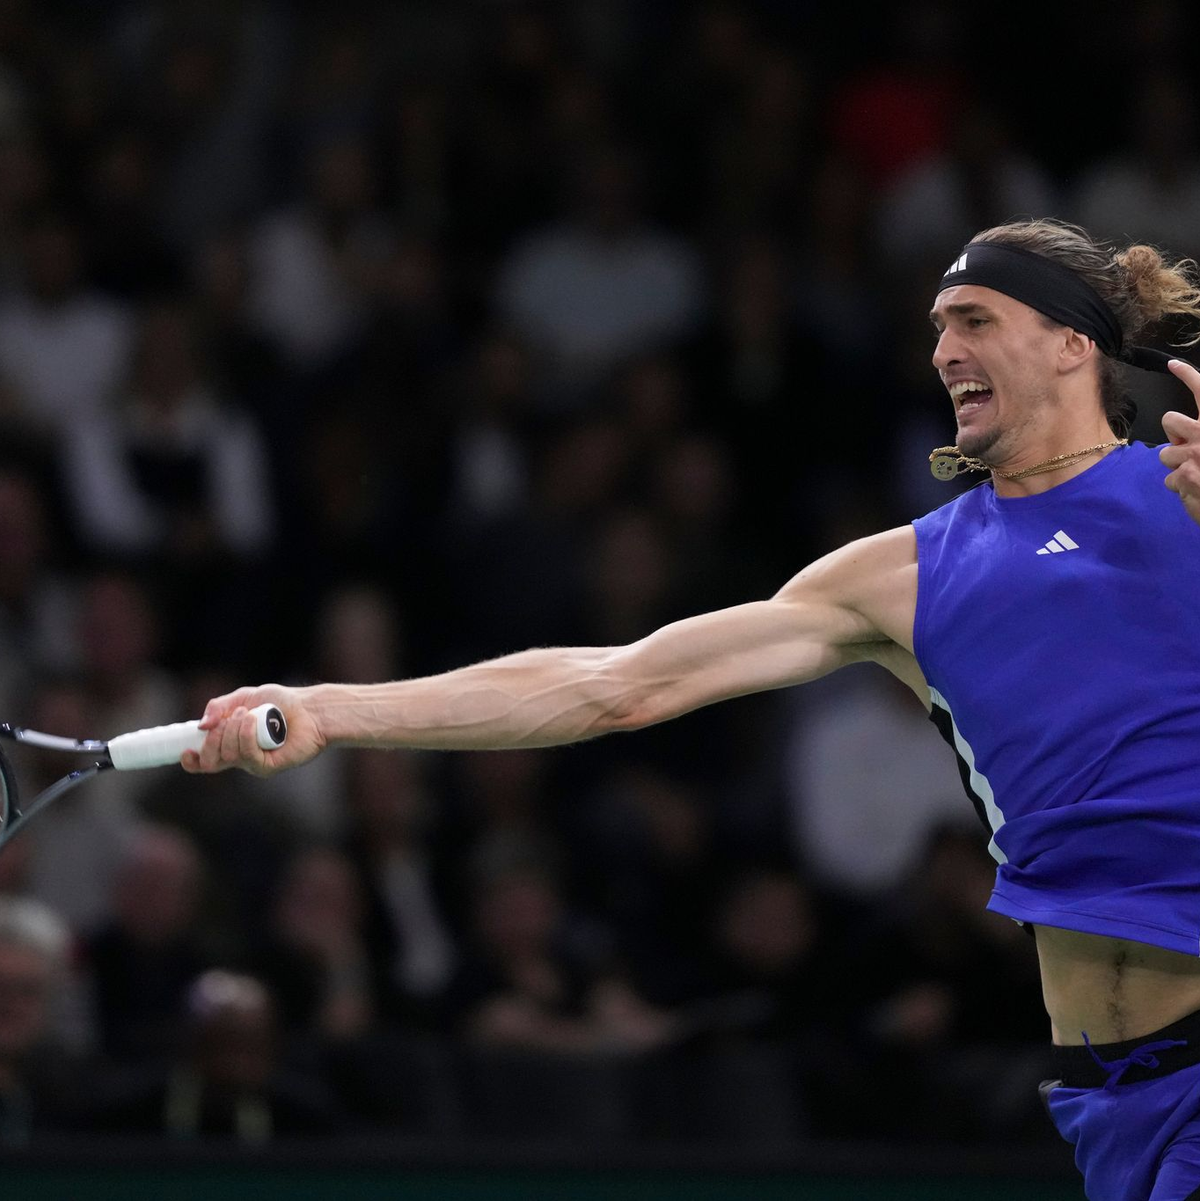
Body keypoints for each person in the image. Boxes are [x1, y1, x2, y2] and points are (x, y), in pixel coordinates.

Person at [186, 217, 1200, 1201]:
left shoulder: (1185, 497)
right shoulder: (903, 575)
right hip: (1113, 1096)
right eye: (938, 326)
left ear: (1073, 343)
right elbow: (615, 683)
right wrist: (332, 709)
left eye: (976, 319)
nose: (943, 351)